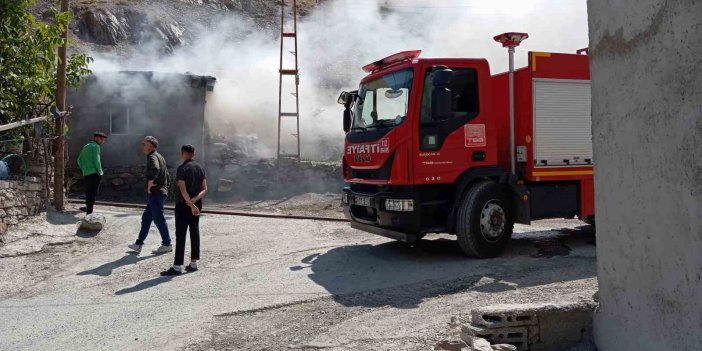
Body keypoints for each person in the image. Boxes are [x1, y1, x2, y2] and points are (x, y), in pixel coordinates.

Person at [161, 144, 208, 276]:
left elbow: (182, 189)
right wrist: (195, 201)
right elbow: (205, 188)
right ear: (193, 154)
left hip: (183, 205)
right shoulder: (200, 168)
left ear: (183, 153)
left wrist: (189, 204)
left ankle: (177, 266)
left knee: (181, 234)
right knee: (194, 231)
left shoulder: (182, 168)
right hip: (197, 203)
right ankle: (193, 263)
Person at [128, 136, 172, 254]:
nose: (142, 145)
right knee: (146, 218)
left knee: (158, 219)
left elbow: (155, 169)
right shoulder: (160, 156)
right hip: (159, 192)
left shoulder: (152, 157)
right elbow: (167, 175)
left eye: (145, 143)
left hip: (156, 193)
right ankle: (138, 244)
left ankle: (167, 244)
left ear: (151, 146)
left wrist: (150, 183)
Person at [77, 132, 107, 215]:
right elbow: (97, 161)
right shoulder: (96, 147)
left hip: (86, 173)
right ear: (96, 138)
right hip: (95, 173)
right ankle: (90, 212)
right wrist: (100, 172)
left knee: (88, 191)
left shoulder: (86, 146)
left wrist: (84, 169)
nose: (103, 141)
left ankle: (88, 208)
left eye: (103, 139)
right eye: (101, 139)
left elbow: (79, 160)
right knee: (93, 192)